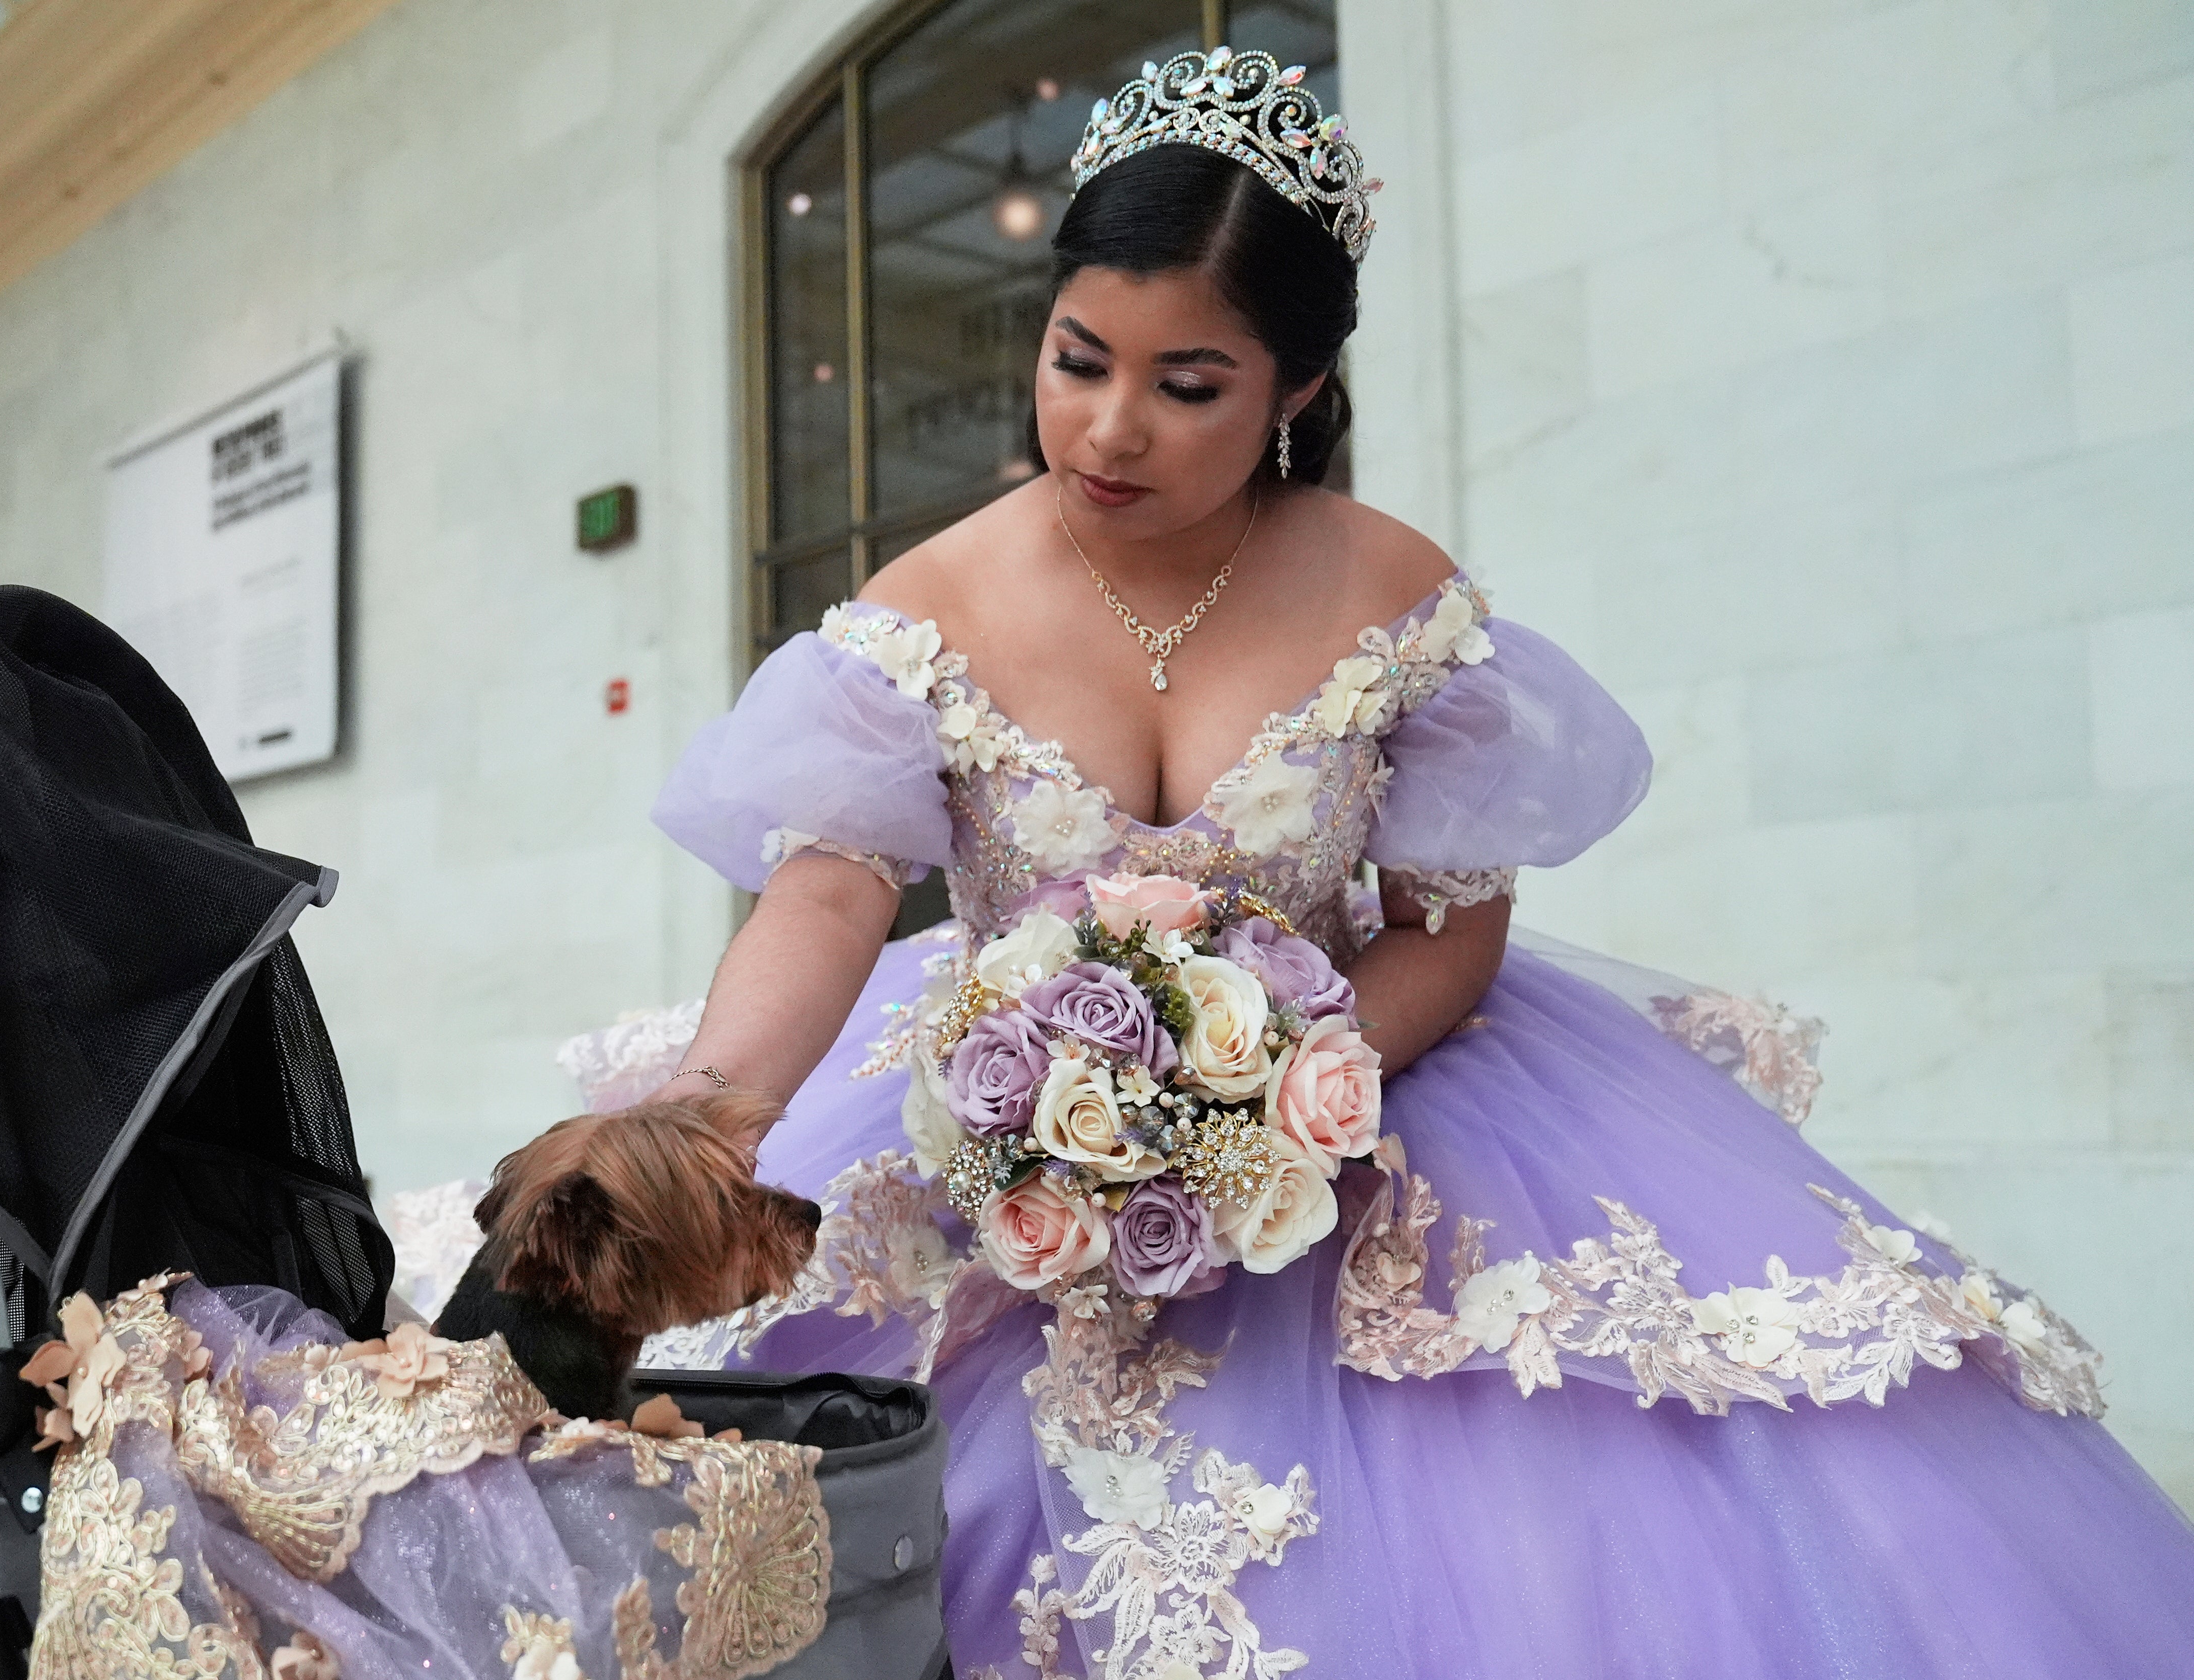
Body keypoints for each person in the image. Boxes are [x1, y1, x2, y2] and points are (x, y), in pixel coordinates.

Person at [622, 47, 2194, 1679]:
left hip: (1365, 1108)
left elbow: (1453, 926)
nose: (1109, 427)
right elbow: (824, 894)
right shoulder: (932, 601)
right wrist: (698, 1121)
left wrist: (1251, 1108)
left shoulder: (1387, 585)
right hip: (999, 1140)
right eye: (1079, 357)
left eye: (1189, 384)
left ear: (1295, 388)